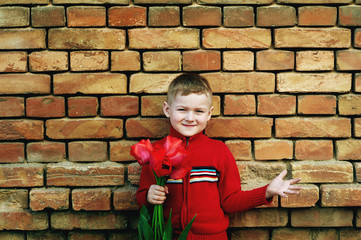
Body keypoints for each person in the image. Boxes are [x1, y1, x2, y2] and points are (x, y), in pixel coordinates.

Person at [136, 73, 301, 240]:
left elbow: (230, 201)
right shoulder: (156, 151)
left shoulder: (218, 151)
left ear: (209, 114)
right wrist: (148, 196)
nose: (190, 118)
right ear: (167, 110)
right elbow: (141, 199)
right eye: (182, 110)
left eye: (198, 111)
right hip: (168, 236)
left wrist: (266, 192)